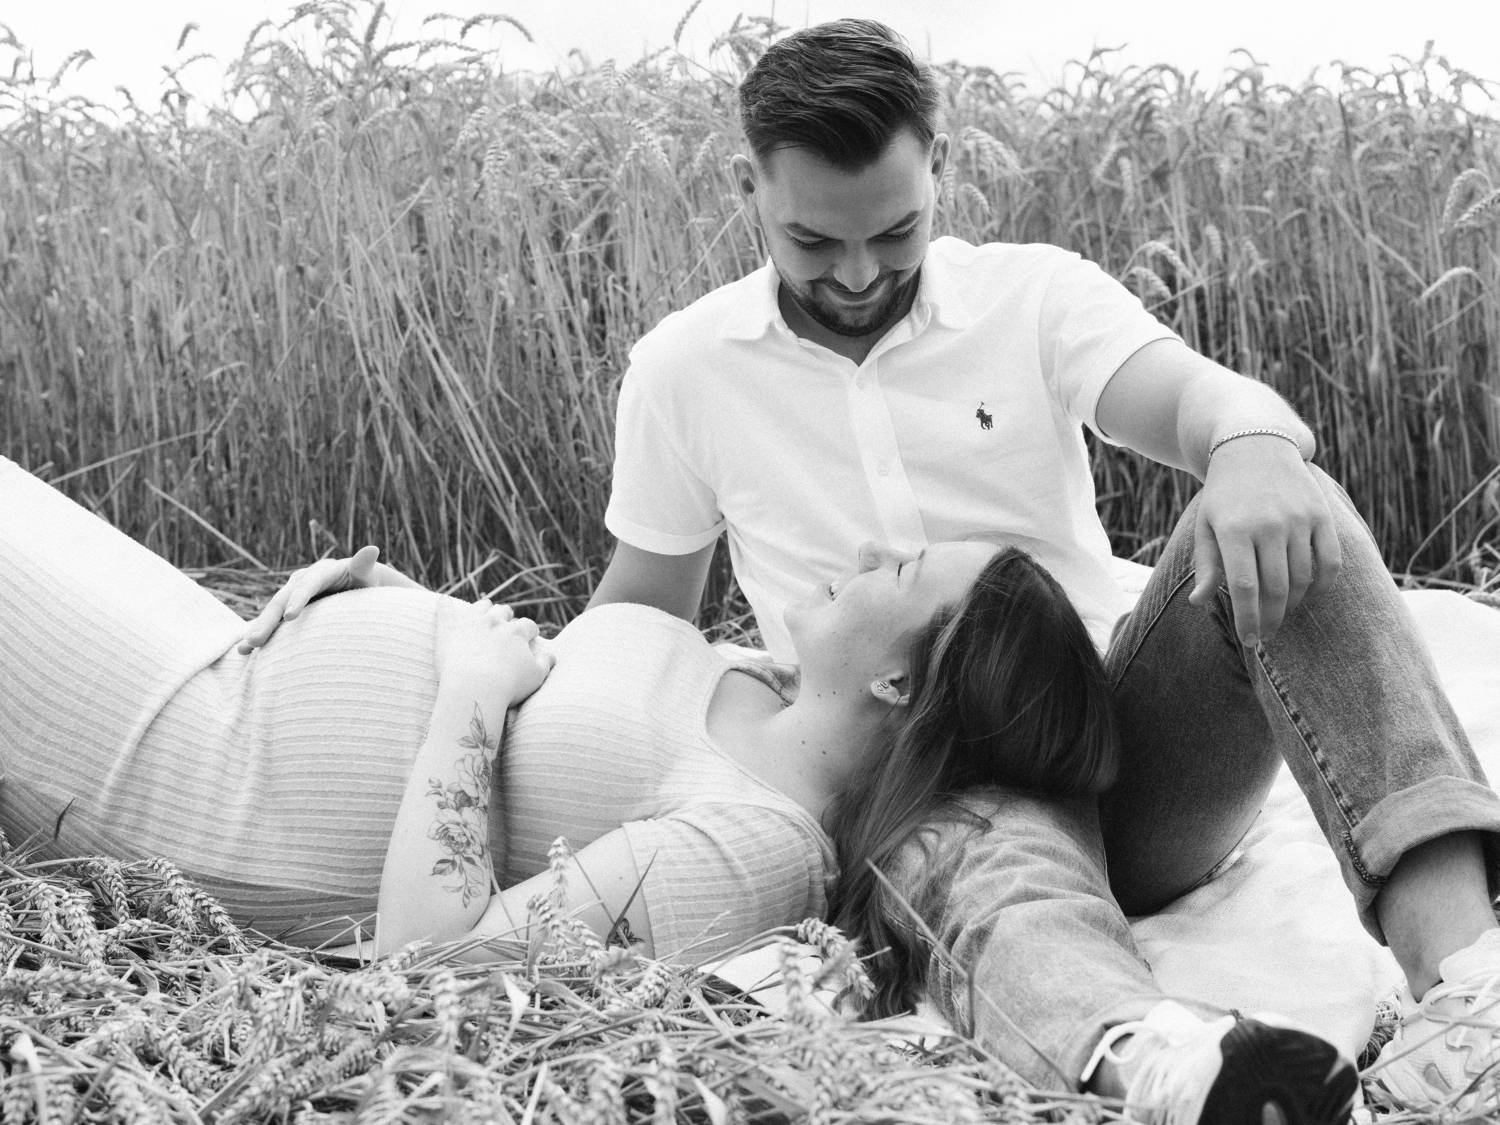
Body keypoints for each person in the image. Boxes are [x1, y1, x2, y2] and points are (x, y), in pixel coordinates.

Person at [239, 19, 1500, 1121]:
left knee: (1287, 504)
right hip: (909, 770)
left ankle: (1467, 993)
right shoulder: (685, 371)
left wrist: (1254, 447)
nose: (856, 275)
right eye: (813, 241)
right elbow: (637, 622)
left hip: (1115, 746)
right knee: (975, 852)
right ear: (750, 190)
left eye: (895, 233)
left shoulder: (1034, 299)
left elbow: (1200, 403)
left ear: (938, 169)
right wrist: (427, 626)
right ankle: (1151, 1059)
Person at [0, 454, 1115, 970]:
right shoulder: (762, 683)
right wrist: (397, 606)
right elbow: (556, 693)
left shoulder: (754, 849)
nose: (869, 548)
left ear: (901, 684)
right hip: (218, 654)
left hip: (188, 768)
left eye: (901, 570)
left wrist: (465, 692)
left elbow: (429, 957)